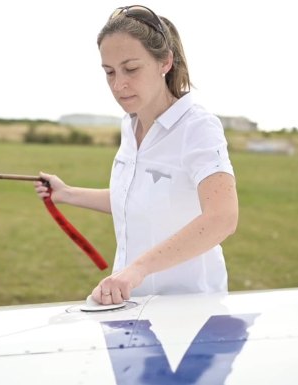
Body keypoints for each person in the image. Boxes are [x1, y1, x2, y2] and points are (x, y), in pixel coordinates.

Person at [34, 5, 238, 305]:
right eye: (109, 72)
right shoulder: (129, 126)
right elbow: (136, 196)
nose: (119, 85)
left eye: (131, 69)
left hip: (191, 310)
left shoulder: (197, 126)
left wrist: (137, 269)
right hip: (130, 304)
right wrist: (67, 194)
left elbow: (223, 218)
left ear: (164, 62)